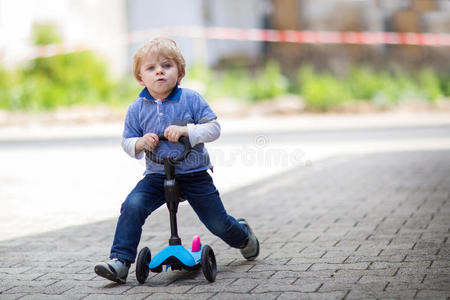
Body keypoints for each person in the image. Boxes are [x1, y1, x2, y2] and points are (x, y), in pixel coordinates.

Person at [94, 37, 259, 284]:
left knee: (218, 223)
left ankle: (243, 236)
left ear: (180, 72)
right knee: (133, 205)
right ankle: (120, 261)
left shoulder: (190, 99)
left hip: (194, 173)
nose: (159, 71)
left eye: (167, 66)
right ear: (140, 78)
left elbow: (214, 128)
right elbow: (127, 141)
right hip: (157, 175)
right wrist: (139, 143)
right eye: (151, 68)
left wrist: (188, 132)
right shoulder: (137, 109)